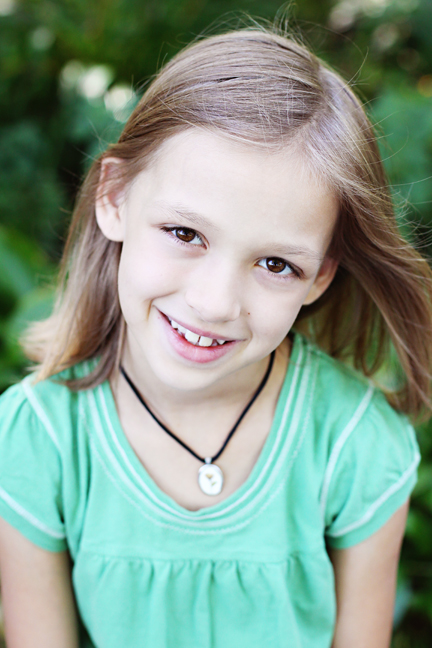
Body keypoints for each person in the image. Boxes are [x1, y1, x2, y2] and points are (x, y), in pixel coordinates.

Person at [0, 24, 431, 648]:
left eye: (276, 264)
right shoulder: (37, 439)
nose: (214, 302)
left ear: (320, 276)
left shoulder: (354, 443)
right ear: (115, 197)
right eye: (185, 234)